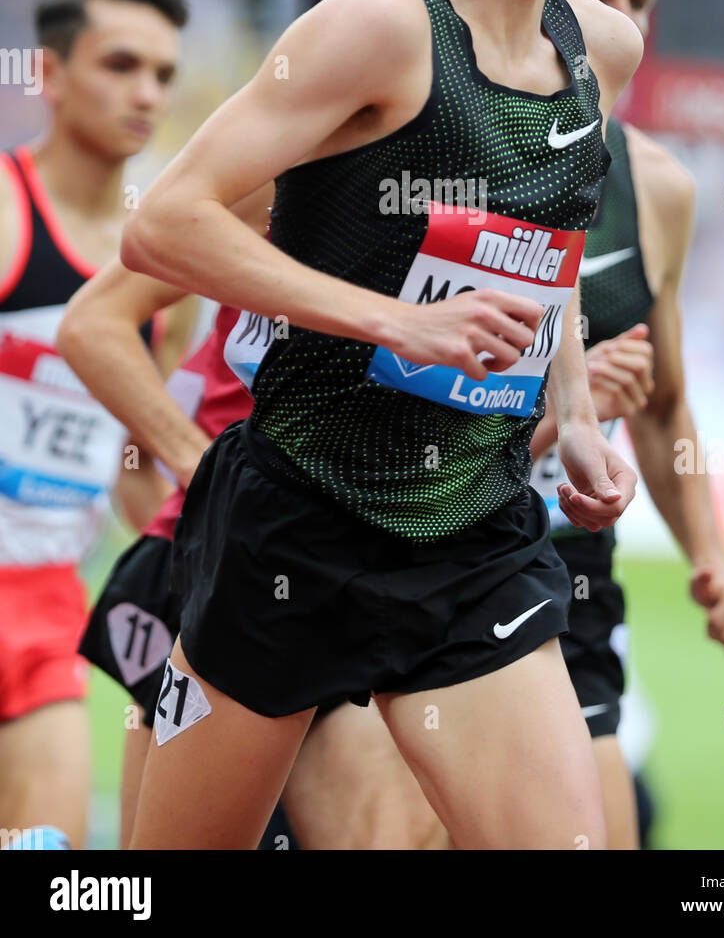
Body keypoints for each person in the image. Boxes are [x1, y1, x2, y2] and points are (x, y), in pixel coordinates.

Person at [122, 0, 645, 852]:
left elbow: (542, 249)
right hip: (297, 526)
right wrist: (387, 324)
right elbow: (163, 226)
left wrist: (569, 414)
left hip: (473, 531)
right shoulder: (376, 26)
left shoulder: (598, 49)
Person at [58, 210, 447, 849]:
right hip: (228, 570)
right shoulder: (282, 159)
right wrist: (203, 468)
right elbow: (93, 323)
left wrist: (571, 419)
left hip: (372, 563)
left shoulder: (496, 173)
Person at [528, 0, 724, 846]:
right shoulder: (452, 152)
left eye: (638, 2)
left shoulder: (659, 186)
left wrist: (710, 558)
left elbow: (663, 405)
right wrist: (556, 415)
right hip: (432, 553)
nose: (621, 24)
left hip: (575, 571)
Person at [0, 0, 192, 850]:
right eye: (120, 64)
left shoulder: (161, 266)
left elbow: (136, 473)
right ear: (49, 72)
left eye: (162, 74)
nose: (145, 92)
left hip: (44, 612)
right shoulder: (6, 211)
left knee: (51, 860)